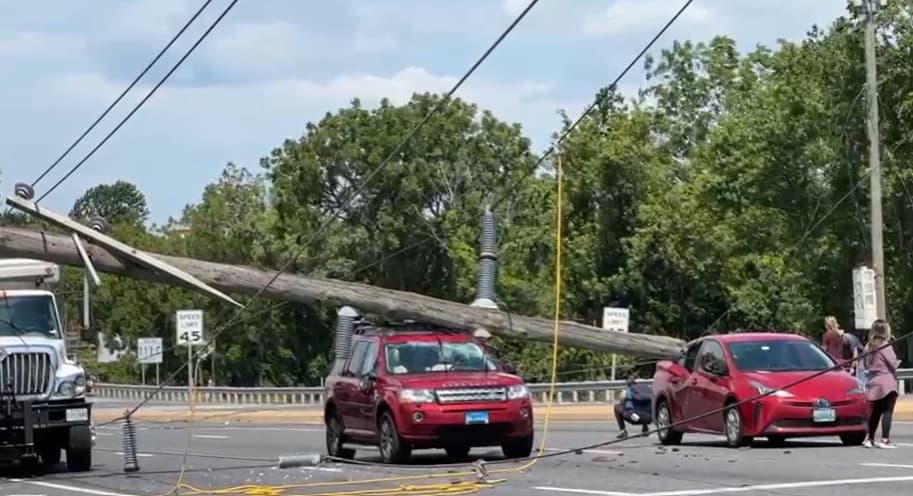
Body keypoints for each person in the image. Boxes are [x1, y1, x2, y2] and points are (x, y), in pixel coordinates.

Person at [862, 319, 900, 449]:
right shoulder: (885, 345)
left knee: (876, 412)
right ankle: (885, 440)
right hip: (887, 382)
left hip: (873, 382)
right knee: (887, 411)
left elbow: (866, 364)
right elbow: (893, 364)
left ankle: (870, 438)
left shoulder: (869, 346)